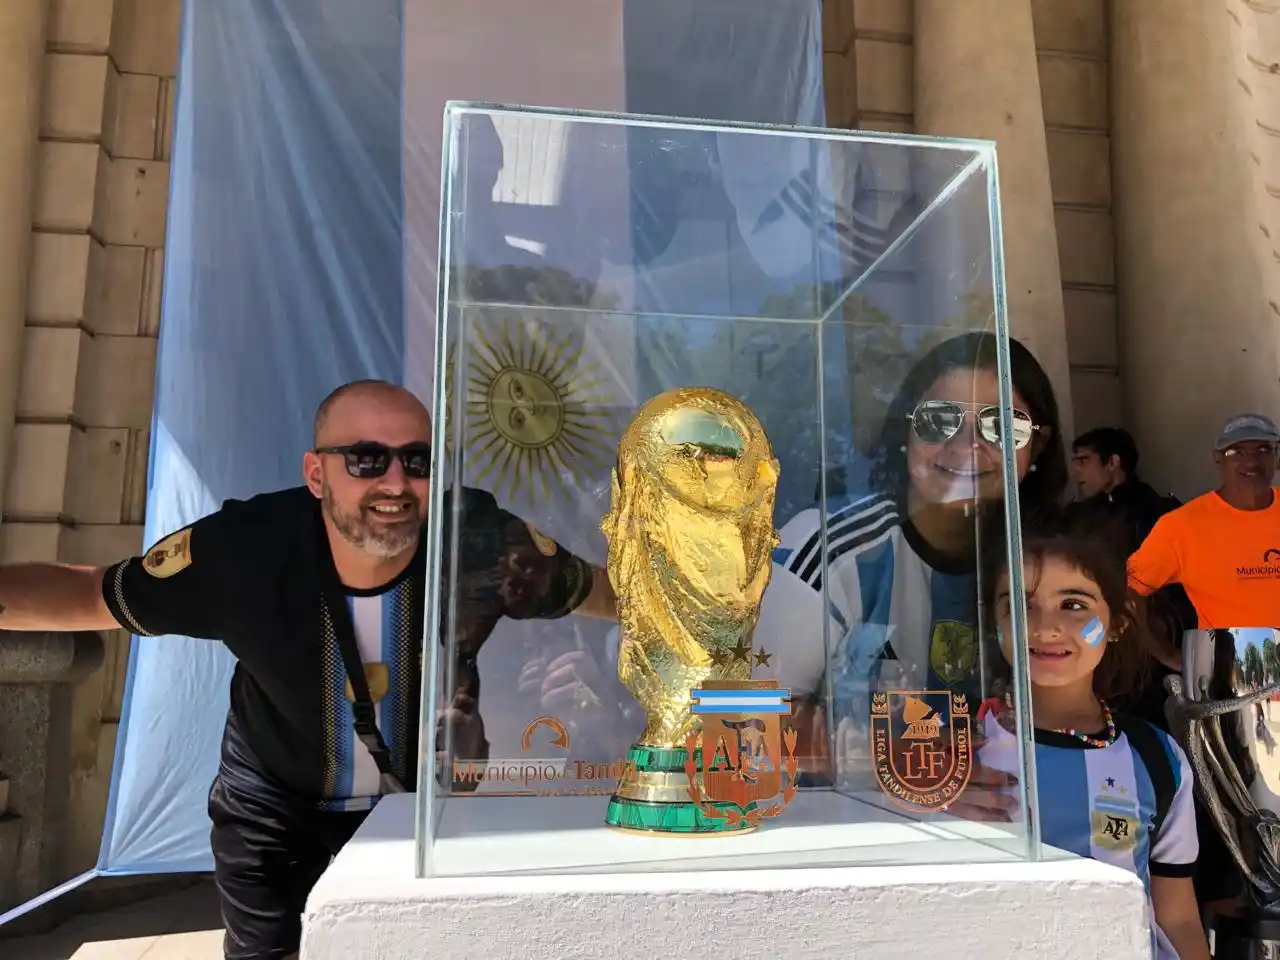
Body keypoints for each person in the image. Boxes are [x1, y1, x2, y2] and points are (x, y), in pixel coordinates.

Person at [0, 379, 616, 960]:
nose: (396, 482)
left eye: (417, 461)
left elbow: (604, 592)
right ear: (316, 474)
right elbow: (92, 596)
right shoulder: (244, 551)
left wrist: (702, 612)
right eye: (367, 459)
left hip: (426, 809)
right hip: (275, 815)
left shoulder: (478, 538)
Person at [752, 331, 1068, 810]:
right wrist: (902, 768)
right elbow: (747, 719)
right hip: (851, 848)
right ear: (904, 431)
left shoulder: (1050, 566)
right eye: (939, 420)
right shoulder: (829, 548)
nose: (967, 446)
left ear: (1037, 448)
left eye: (1002, 426)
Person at [980, 511, 1209, 960]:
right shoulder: (953, 750)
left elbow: (1178, 917)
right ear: (995, 620)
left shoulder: (1157, 758)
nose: (1044, 627)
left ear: (1119, 620)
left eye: (1073, 604)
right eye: (1020, 604)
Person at [1129, 413, 1280, 628]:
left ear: (1277, 456)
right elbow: (1127, 593)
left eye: (1263, 450)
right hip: (1228, 660)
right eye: (1236, 451)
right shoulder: (1180, 526)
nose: (1252, 462)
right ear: (1218, 459)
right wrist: (1163, 652)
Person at [1068, 426, 1181, 549]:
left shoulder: (1153, 513)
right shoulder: (1079, 513)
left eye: (1082, 462)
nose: (1075, 472)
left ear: (1112, 462)